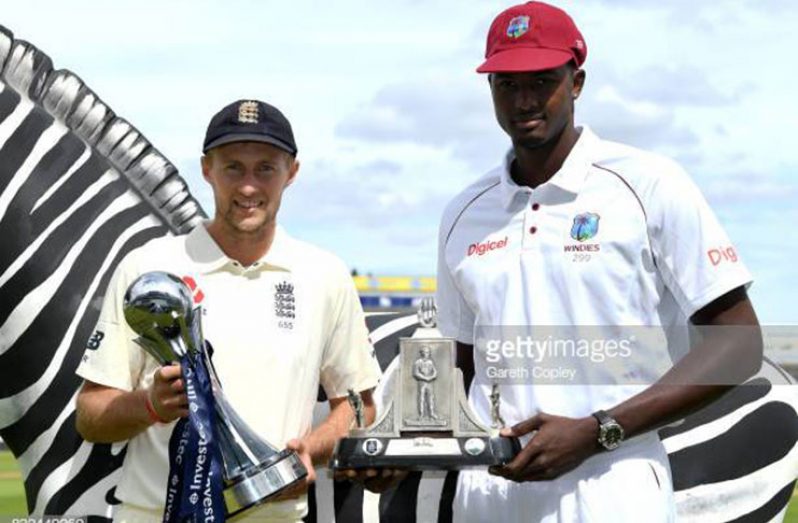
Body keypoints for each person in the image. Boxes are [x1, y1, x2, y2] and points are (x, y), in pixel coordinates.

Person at [435, 2, 762, 522]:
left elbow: (740, 345)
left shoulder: (649, 184)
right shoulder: (464, 213)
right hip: (490, 494)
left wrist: (597, 431)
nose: (524, 100)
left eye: (542, 81)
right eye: (507, 84)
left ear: (577, 81)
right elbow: (460, 368)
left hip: (613, 482)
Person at [74, 99, 381, 522]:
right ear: (207, 169)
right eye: (233, 167)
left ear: (291, 172)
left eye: (265, 169)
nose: (248, 187)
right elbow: (90, 415)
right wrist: (151, 405)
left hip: (274, 514)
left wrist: (312, 449)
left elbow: (359, 405)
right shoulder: (148, 267)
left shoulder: (324, 274)